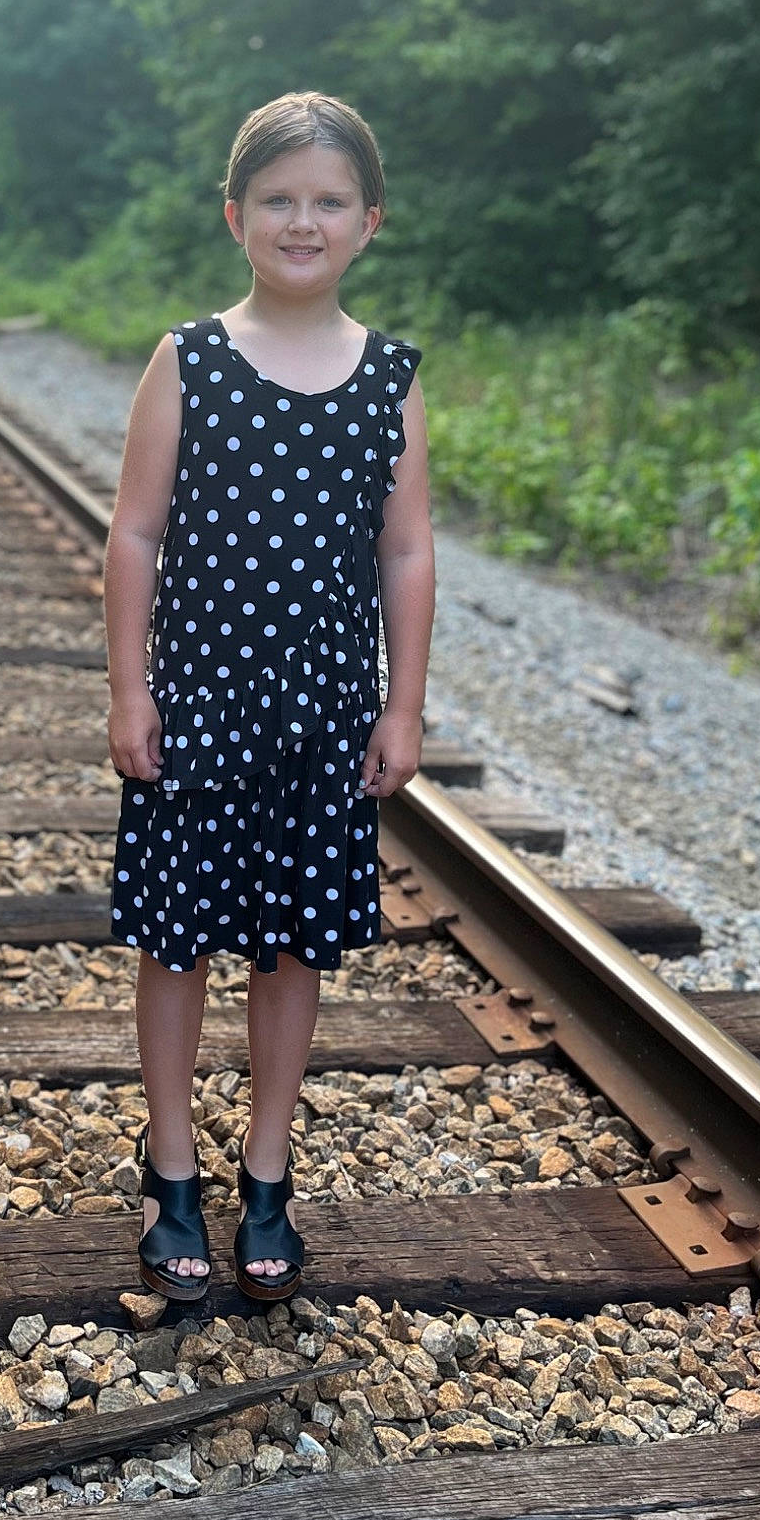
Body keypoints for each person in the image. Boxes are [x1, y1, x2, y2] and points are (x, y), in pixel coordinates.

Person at [103, 90, 435, 1303]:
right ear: (238, 215)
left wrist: (401, 706)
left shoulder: (387, 376)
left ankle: (270, 1168)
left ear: (370, 221)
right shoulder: (189, 357)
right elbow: (136, 533)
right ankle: (173, 1165)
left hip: (323, 708)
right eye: (281, 200)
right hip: (199, 700)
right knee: (181, 935)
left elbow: (406, 551)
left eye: (330, 201)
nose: (306, 221)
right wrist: (130, 687)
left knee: (292, 942)